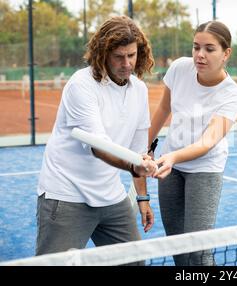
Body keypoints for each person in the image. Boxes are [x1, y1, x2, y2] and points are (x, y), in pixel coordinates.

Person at [35, 16, 158, 264]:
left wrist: (142, 198)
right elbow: (99, 148)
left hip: (111, 197)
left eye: (132, 55)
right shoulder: (81, 85)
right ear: (103, 54)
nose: (127, 64)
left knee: (134, 262)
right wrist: (136, 165)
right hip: (67, 194)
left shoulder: (139, 90)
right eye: (119, 57)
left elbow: (137, 151)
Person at [148, 21, 237, 266]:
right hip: (170, 168)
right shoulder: (180, 68)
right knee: (178, 245)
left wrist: (172, 157)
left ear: (226, 54)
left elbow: (209, 141)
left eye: (209, 49)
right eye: (196, 47)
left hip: (204, 170)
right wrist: (145, 145)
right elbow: (163, 108)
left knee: (198, 251)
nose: (200, 55)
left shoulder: (232, 93)